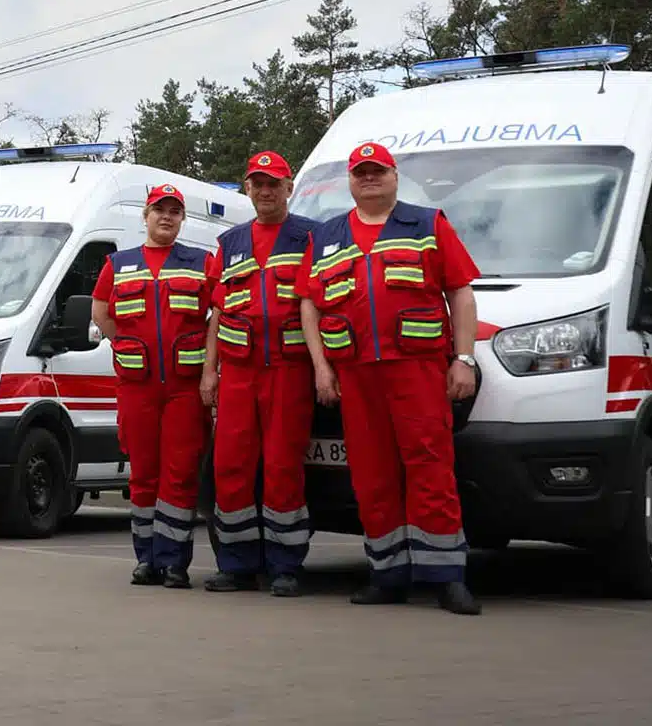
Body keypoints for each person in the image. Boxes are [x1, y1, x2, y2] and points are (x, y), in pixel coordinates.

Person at [302, 141, 482, 615]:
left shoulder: (426, 224)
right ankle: (387, 573)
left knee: (430, 465)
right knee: (371, 474)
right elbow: (310, 304)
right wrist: (322, 366)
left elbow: (460, 292)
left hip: (417, 370)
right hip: (356, 375)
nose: (368, 178)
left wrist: (463, 358)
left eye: (377, 171)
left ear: (394, 176)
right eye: (360, 172)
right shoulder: (327, 237)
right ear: (351, 181)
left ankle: (446, 577)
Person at [200, 151, 320, 596]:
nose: (265, 191)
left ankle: (286, 566)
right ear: (245, 189)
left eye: (273, 183)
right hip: (237, 374)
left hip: (289, 371)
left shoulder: (311, 235)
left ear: (289, 187)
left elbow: (319, 304)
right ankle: (236, 565)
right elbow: (217, 313)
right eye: (257, 183)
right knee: (231, 467)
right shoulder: (230, 243)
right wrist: (208, 373)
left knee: (283, 467)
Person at [91, 183, 214, 588]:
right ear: (145, 216)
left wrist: (209, 369)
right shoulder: (119, 263)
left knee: (179, 475)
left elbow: (220, 314)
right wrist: (124, 345)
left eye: (174, 211)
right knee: (143, 474)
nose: (167, 217)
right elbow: (101, 311)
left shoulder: (201, 261)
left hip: (184, 388)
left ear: (182, 219)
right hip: (137, 386)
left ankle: (174, 562)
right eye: (159, 210)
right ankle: (146, 559)